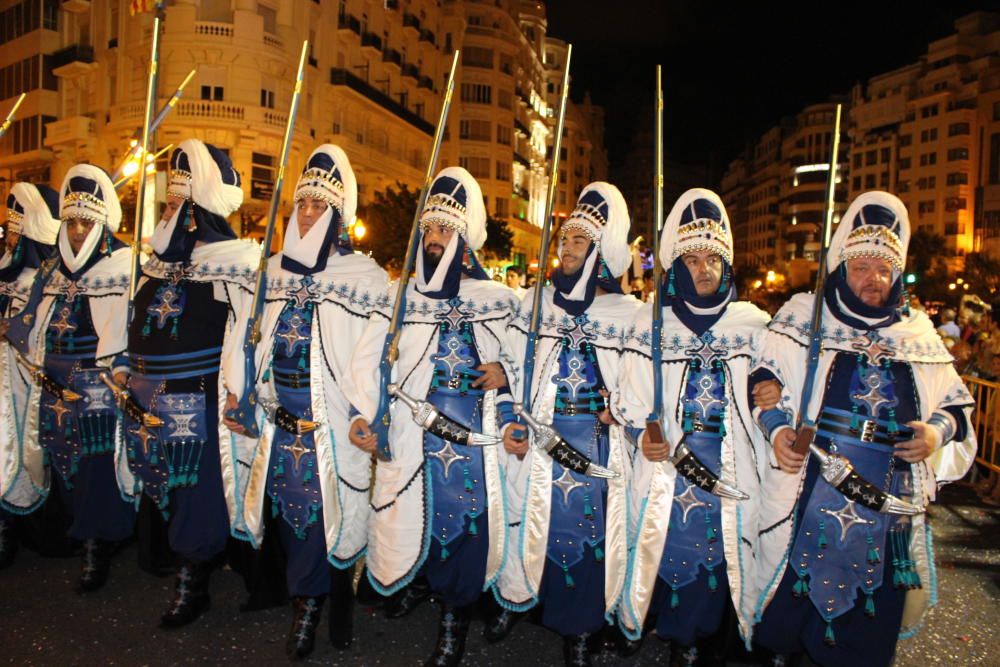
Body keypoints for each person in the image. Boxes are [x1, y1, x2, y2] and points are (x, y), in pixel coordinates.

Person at [750, 191, 977, 667]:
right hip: (810, 489)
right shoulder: (802, 316)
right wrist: (776, 432)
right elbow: (764, 382)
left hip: (887, 503)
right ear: (841, 267)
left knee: (869, 626)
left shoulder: (917, 332)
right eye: (861, 267)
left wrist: (935, 433)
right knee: (791, 615)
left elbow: (955, 404)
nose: (873, 279)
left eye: (883, 269)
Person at [345, 167, 517, 667]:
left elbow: (526, 359)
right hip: (411, 434)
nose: (435, 239)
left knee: (464, 526)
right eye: (429, 230)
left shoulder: (498, 301)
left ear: (463, 238)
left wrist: (506, 371)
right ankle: (416, 580)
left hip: (473, 443)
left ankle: (454, 620)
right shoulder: (400, 299)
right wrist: (368, 416)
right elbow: (369, 361)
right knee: (409, 516)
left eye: (444, 230)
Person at [222, 145, 387, 659]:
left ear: (338, 215)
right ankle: (296, 593)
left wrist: (365, 408)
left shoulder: (364, 277)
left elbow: (373, 350)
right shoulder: (270, 272)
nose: (309, 213)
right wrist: (238, 389)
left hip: (332, 423)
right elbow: (243, 336)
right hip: (278, 419)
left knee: (324, 516)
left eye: (320, 206)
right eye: (304, 204)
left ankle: (312, 604)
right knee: (287, 511)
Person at [613, 189, 773, 666]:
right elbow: (629, 402)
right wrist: (644, 433)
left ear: (728, 266)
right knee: (664, 556)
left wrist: (770, 391)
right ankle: (673, 640)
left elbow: (775, 387)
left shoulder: (756, 326)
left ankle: (705, 647)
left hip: (733, 473)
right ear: (677, 267)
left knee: (722, 564)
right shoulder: (650, 324)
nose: (703, 269)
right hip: (667, 472)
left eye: (713, 259)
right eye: (693, 260)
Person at [495, 182, 640, 667]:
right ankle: (524, 600)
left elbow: (640, 384)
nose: (568, 249)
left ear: (599, 251)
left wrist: (617, 408)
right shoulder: (536, 303)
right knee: (534, 524)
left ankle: (581, 629)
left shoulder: (628, 314)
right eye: (564, 241)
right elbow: (511, 369)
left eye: (579, 241)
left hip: (596, 448)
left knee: (587, 535)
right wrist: (507, 416)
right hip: (541, 440)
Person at [120, 139, 258, 627]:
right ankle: (176, 561)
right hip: (146, 394)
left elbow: (247, 333)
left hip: (197, 399)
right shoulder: (154, 265)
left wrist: (240, 392)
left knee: (199, 490)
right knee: (167, 484)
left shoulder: (238, 261)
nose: (170, 212)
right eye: (168, 204)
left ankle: (193, 582)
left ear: (200, 210)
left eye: (180, 205)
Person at [7, 165, 137, 591]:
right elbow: (28, 324)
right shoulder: (49, 271)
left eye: (87, 222)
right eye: (72, 222)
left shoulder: (125, 266)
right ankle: (86, 535)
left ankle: (98, 546)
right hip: (53, 387)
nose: (78, 231)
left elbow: (130, 331)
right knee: (69, 469)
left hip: (98, 390)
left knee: (99, 471)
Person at [0, 182, 62, 568]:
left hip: (22, 381)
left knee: (21, 450)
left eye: (15, 228)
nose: (8, 235)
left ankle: (13, 527)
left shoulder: (45, 278)